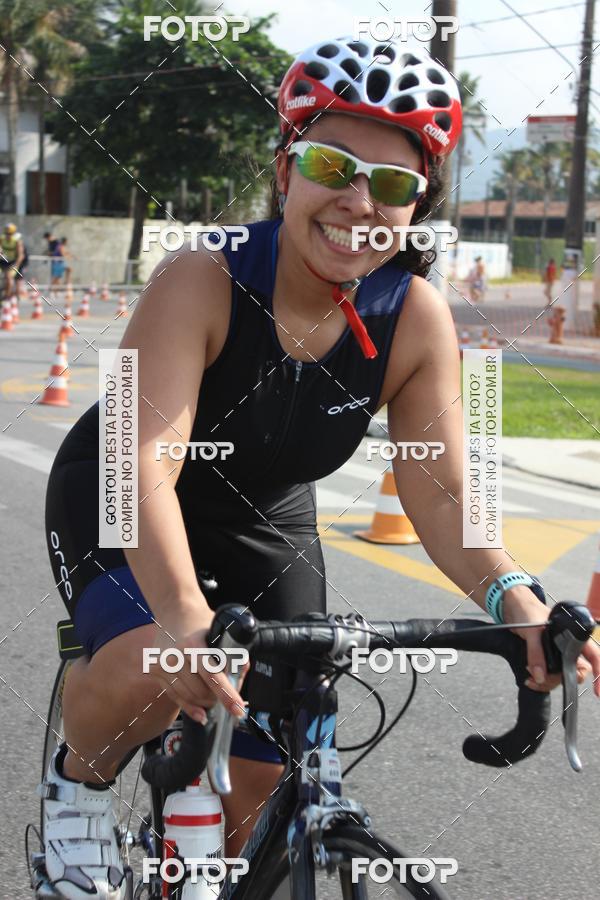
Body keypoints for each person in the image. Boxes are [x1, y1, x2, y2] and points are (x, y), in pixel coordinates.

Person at [40, 36, 600, 899]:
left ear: (419, 205)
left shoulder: (417, 316)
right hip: (121, 491)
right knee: (158, 665)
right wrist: (185, 619)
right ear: (285, 170)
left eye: (394, 184)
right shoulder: (201, 273)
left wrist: (517, 602)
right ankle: (77, 790)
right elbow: (141, 460)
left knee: (270, 782)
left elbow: (446, 492)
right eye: (332, 165)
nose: (358, 201)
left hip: (267, 517)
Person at [0, 222, 25, 299]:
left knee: (9, 278)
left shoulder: (17, 241)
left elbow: (21, 255)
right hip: (2, 260)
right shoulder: (2, 238)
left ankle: (6, 297)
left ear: (13, 233)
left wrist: (16, 265)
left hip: (12, 262)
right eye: (7, 233)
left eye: (10, 234)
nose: (8, 235)